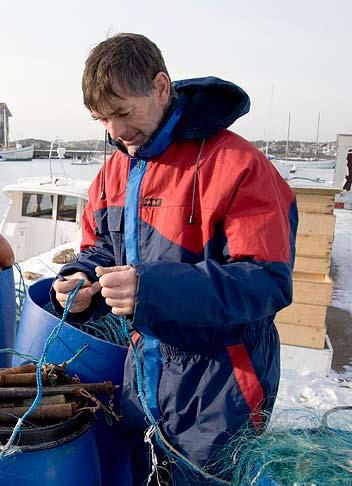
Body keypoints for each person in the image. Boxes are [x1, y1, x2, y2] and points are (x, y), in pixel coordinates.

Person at [52, 33, 297, 485]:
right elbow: (102, 248)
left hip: (222, 385)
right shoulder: (113, 172)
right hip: (143, 374)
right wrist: (81, 279)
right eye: (102, 118)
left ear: (161, 88)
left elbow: (266, 282)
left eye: (124, 112)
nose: (115, 132)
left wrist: (150, 288)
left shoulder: (238, 165)